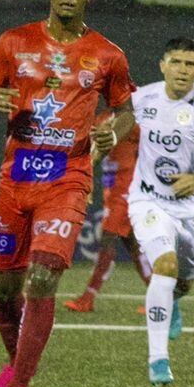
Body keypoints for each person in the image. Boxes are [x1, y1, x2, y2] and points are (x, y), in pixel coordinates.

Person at [0, 0, 134, 387]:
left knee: (42, 277)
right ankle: (14, 368)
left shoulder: (107, 55)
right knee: (3, 288)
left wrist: (113, 130)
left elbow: (125, 111)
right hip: (15, 179)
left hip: (67, 179)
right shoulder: (13, 42)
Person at [125, 38, 194, 385]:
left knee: (183, 281)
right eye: (176, 62)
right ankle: (159, 361)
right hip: (149, 200)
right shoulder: (143, 98)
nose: (182, 70)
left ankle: (173, 301)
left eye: (190, 64)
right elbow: (120, 123)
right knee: (165, 265)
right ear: (162, 65)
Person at [61, 116, 149, 313]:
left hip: (127, 187)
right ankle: (160, 297)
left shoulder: (128, 117)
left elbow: (149, 139)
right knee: (132, 243)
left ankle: (88, 297)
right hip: (113, 186)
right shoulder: (95, 116)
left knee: (108, 238)